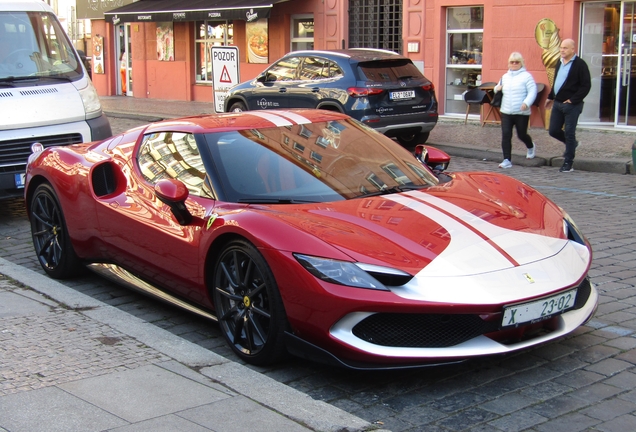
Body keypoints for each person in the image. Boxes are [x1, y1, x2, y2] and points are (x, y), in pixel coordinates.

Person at [545, 38, 591, 172]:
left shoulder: (580, 64)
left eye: (565, 48)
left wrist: (573, 100)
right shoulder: (559, 62)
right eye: (561, 48)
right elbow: (556, 82)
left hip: (572, 105)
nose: (562, 50)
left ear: (572, 49)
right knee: (553, 130)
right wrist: (550, 97)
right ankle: (573, 145)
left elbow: (586, 85)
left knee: (570, 133)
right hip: (558, 103)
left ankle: (568, 163)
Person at [493, 52, 538, 169]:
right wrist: (496, 88)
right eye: (512, 62)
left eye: (516, 62)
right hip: (506, 111)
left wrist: (526, 103)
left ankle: (530, 146)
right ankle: (506, 159)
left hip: (521, 112)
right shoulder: (505, 77)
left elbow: (532, 91)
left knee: (521, 134)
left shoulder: (527, 76)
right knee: (506, 135)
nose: (514, 64)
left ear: (521, 63)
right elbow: (496, 88)